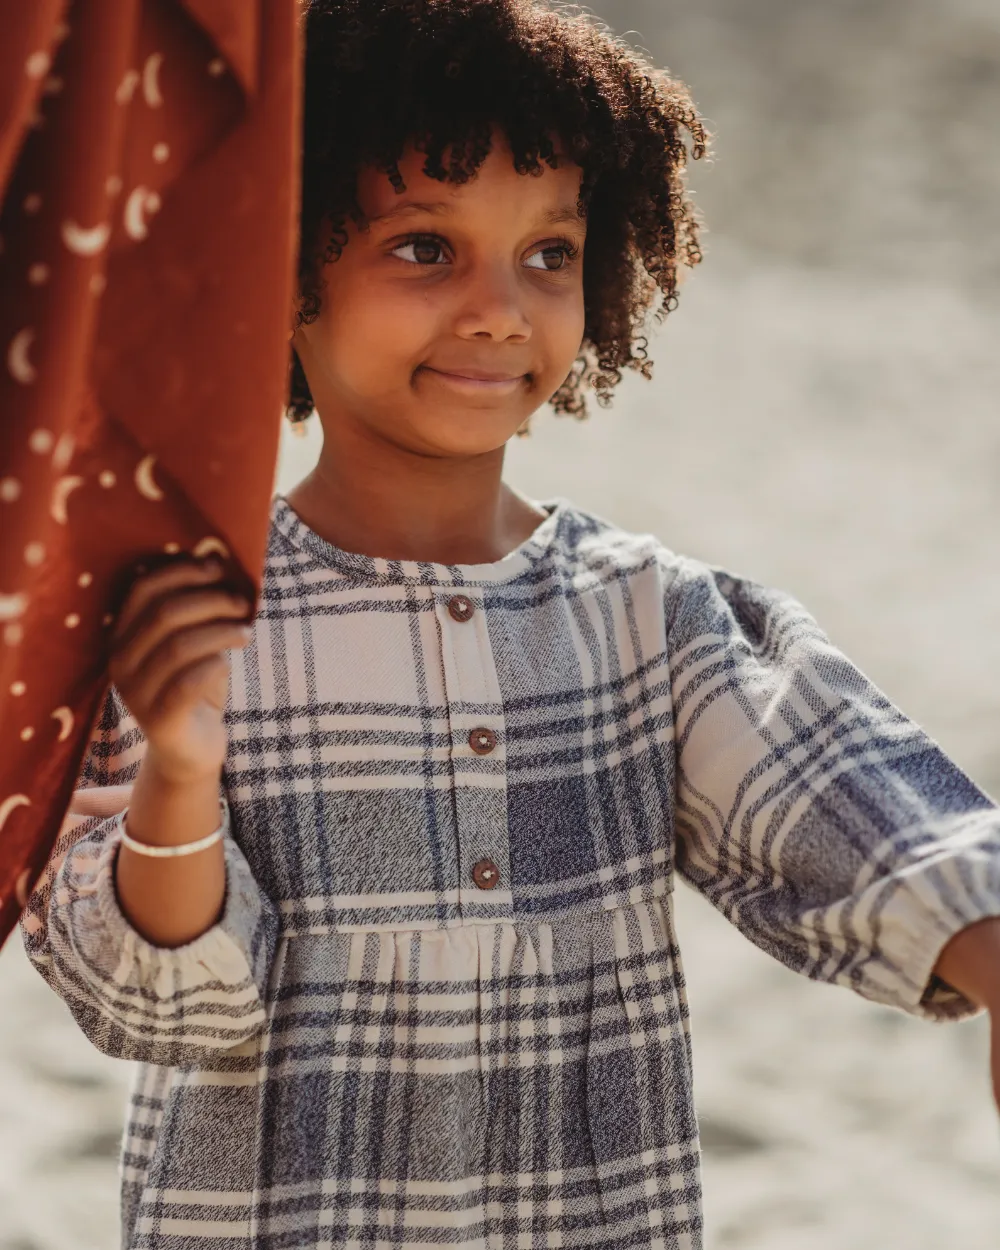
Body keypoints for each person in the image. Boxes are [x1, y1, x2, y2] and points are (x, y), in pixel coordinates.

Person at [21, 2, 1000, 1248]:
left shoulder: (647, 618)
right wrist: (178, 766)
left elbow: (846, 805)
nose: (499, 307)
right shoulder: (194, 621)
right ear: (281, 261)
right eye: (424, 248)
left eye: (548, 252)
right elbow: (156, 1008)